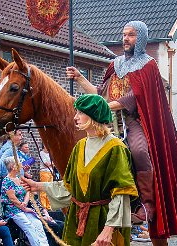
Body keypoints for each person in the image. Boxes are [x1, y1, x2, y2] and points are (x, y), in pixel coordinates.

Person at [66, 20, 177, 240]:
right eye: (124, 34)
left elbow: (136, 97)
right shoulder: (114, 65)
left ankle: (146, 203)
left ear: (141, 38)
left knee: (138, 151)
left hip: (137, 121)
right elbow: (100, 94)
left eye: (132, 35)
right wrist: (80, 78)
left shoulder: (148, 65)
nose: (126, 38)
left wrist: (104, 105)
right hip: (109, 121)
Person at [22, 94, 138, 246]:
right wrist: (38, 186)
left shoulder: (115, 148)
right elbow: (71, 188)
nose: (75, 117)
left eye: (81, 112)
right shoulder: (79, 146)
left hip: (102, 221)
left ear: (94, 114)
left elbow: (122, 193)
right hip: (76, 221)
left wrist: (108, 230)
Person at [1, 156, 49, 246]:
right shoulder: (7, 181)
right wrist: (23, 207)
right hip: (13, 210)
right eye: (19, 163)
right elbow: (12, 198)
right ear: (13, 167)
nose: (21, 165)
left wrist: (25, 203)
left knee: (37, 223)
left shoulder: (19, 178)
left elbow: (27, 191)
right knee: (28, 226)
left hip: (23, 207)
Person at [39, 144, 54, 210]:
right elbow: (46, 164)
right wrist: (52, 164)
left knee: (50, 189)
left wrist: (51, 164)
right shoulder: (42, 153)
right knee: (44, 189)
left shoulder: (50, 153)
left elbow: (54, 163)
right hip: (44, 172)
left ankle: (49, 205)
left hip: (51, 172)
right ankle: (43, 206)